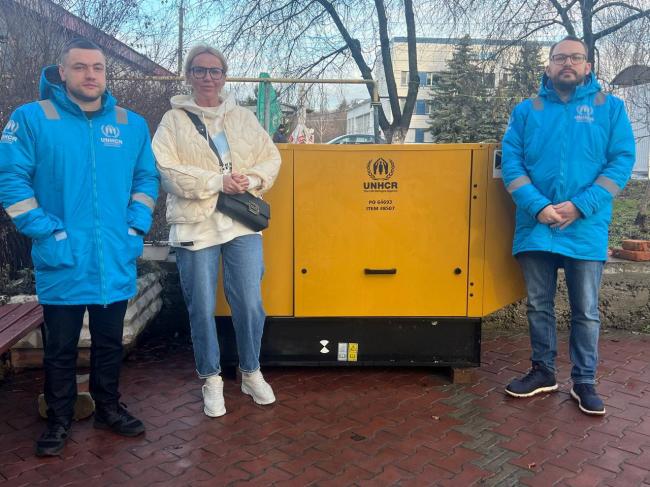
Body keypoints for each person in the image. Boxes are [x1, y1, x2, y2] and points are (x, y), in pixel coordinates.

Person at [0, 37, 159, 455]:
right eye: (80, 67)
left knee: (109, 344)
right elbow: (11, 179)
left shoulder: (131, 124)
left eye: (98, 67)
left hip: (114, 256)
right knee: (60, 348)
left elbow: (147, 178)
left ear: (106, 73)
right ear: (62, 72)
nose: (91, 75)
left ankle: (108, 408)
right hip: (63, 256)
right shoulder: (32, 118)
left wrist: (135, 227)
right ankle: (59, 419)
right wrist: (45, 230)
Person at [501, 36, 635, 415]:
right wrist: (538, 206)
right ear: (548, 66)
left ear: (588, 66)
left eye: (576, 57)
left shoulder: (610, 109)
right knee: (538, 306)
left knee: (586, 310)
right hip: (536, 225)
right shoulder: (527, 111)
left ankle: (584, 380)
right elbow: (511, 163)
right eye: (560, 58)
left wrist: (581, 205)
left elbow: (621, 162)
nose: (568, 64)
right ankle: (543, 372)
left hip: (585, 226)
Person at [152, 44, 281, 417]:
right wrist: (216, 181)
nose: (208, 77)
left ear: (224, 76)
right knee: (202, 307)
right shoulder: (173, 120)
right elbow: (166, 169)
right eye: (199, 70)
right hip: (195, 223)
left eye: (215, 71)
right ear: (189, 75)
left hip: (241, 222)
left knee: (250, 303)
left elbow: (270, 157)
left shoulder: (242, 117)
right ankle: (210, 378)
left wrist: (250, 179)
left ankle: (251, 371)